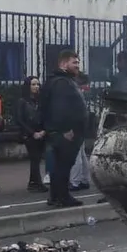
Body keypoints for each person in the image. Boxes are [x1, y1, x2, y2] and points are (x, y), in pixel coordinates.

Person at [40, 51, 89, 208]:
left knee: (60, 166)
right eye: (74, 63)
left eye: (78, 63)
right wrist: (66, 130)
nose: (77, 66)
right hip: (65, 133)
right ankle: (62, 197)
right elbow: (60, 109)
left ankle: (56, 196)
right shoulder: (62, 83)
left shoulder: (59, 81)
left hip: (60, 132)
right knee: (63, 166)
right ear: (63, 64)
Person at [16, 76, 48, 192]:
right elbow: (20, 119)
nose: (36, 87)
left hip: (40, 132)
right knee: (34, 157)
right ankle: (37, 183)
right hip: (29, 134)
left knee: (37, 158)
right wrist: (32, 133)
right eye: (33, 84)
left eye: (38, 84)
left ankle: (32, 182)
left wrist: (43, 131)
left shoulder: (40, 100)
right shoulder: (23, 101)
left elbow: (44, 116)